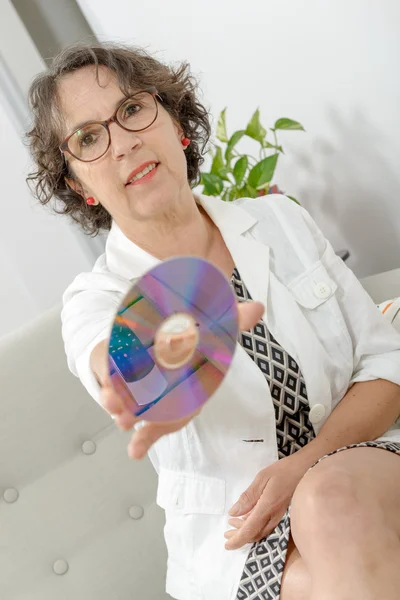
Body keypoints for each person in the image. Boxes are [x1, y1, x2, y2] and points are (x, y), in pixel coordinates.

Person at [26, 41, 400, 600]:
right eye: (88, 138)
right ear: (79, 185)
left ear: (175, 122)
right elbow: (116, 369)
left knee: (331, 499)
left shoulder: (279, 221)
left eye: (131, 109)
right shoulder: (96, 299)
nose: (123, 141)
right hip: (241, 536)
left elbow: (384, 364)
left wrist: (304, 466)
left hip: (363, 463)